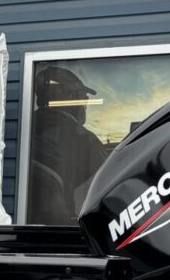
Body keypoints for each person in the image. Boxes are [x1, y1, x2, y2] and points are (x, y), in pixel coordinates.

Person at [26, 64, 109, 224]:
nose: (85, 104)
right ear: (71, 97)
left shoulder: (28, 129)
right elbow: (112, 181)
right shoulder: (84, 139)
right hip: (64, 228)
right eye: (84, 97)